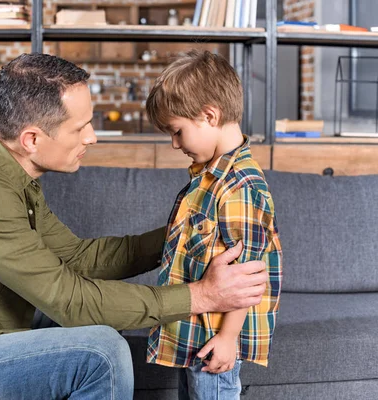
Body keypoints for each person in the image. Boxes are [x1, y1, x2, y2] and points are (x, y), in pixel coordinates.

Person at [0, 53, 269, 400]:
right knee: (101, 351)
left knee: (92, 321)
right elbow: (72, 299)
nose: (92, 138)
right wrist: (199, 295)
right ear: (32, 138)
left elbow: (77, 259)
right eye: (80, 127)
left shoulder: (6, 171)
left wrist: (182, 238)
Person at [145, 49, 283, 399]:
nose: (174, 144)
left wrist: (227, 338)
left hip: (214, 339)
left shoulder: (240, 186)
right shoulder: (208, 179)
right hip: (193, 332)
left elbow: (247, 274)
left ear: (209, 115)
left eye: (177, 132)